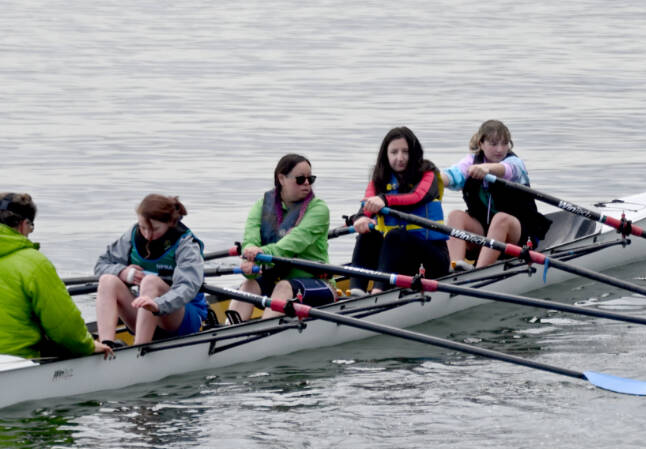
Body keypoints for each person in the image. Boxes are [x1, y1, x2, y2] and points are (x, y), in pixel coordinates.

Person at [0, 192, 113, 360]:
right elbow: (63, 325)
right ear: (24, 224)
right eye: (31, 228)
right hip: (19, 359)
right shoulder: (34, 263)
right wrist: (87, 345)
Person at [94, 194, 208, 347]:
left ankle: (139, 349)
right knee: (107, 280)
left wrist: (159, 305)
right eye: (143, 227)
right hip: (146, 314)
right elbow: (101, 265)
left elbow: (187, 288)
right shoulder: (132, 236)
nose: (147, 235)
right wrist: (122, 272)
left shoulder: (185, 244)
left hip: (183, 319)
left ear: (170, 223)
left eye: (154, 229)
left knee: (150, 282)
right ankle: (105, 345)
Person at [347, 126, 450, 294]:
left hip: (432, 260)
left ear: (414, 153)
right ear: (385, 155)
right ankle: (356, 292)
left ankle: (378, 292)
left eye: (405, 151)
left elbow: (416, 197)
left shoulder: (427, 174)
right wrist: (360, 219)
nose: (400, 158)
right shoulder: (379, 179)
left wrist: (384, 200)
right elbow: (366, 206)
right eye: (394, 152)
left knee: (395, 236)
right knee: (368, 235)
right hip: (398, 262)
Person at [233, 153, 334, 321]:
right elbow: (250, 240)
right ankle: (229, 331)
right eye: (300, 179)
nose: (307, 183)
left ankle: (263, 336)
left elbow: (287, 247)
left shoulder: (319, 210)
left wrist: (257, 254)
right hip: (275, 279)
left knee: (284, 286)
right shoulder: (262, 205)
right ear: (281, 179)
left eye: (311, 178)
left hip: (316, 284)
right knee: (248, 285)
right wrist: (249, 260)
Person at [440, 119, 553, 268]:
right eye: (493, 144)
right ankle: (455, 268)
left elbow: (507, 169)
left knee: (501, 219)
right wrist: (430, 181)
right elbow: (451, 175)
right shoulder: (470, 162)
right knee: (455, 215)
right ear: (481, 144)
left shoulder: (515, 163)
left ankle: (480, 272)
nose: (500, 149)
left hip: (518, 234)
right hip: (485, 234)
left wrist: (488, 169)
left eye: (504, 143)